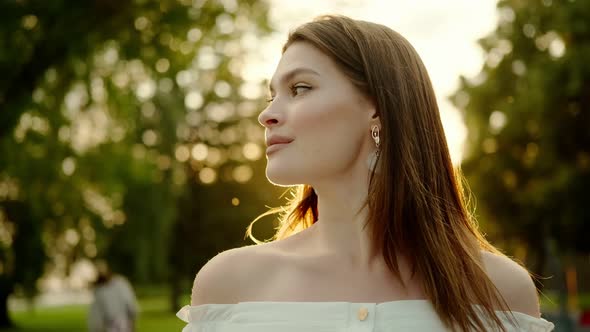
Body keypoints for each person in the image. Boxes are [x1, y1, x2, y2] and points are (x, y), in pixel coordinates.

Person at [177, 15, 554, 331]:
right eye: (271, 95)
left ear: (376, 108)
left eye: (300, 88)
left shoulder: (500, 289)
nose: (267, 114)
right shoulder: (228, 285)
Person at [88, 262, 138, 332]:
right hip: (109, 326)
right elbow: (96, 316)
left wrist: (132, 322)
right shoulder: (99, 291)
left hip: (123, 324)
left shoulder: (120, 283)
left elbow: (130, 304)